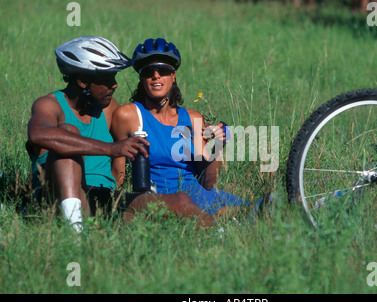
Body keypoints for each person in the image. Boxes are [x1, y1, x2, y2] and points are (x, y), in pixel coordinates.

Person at [26, 36, 215, 232]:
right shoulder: (50, 104)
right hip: (56, 196)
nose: (114, 85)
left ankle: (221, 234)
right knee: (67, 133)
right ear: (82, 81)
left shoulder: (107, 109)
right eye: (107, 79)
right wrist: (111, 148)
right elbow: (38, 134)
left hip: (103, 198)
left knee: (181, 202)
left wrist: (210, 135)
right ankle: (74, 235)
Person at [111, 37, 252, 220]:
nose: (156, 75)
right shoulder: (128, 115)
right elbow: (118, 176)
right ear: (141, 77)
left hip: (203, 195)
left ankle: (235, 214)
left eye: (163, 70)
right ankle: (226, 217)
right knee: (234, 215)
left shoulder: (193, 118)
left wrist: (218, 144)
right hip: (167, 201)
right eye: (148, 71)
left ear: (174, 75)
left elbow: (208, 182)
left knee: (267, 208)